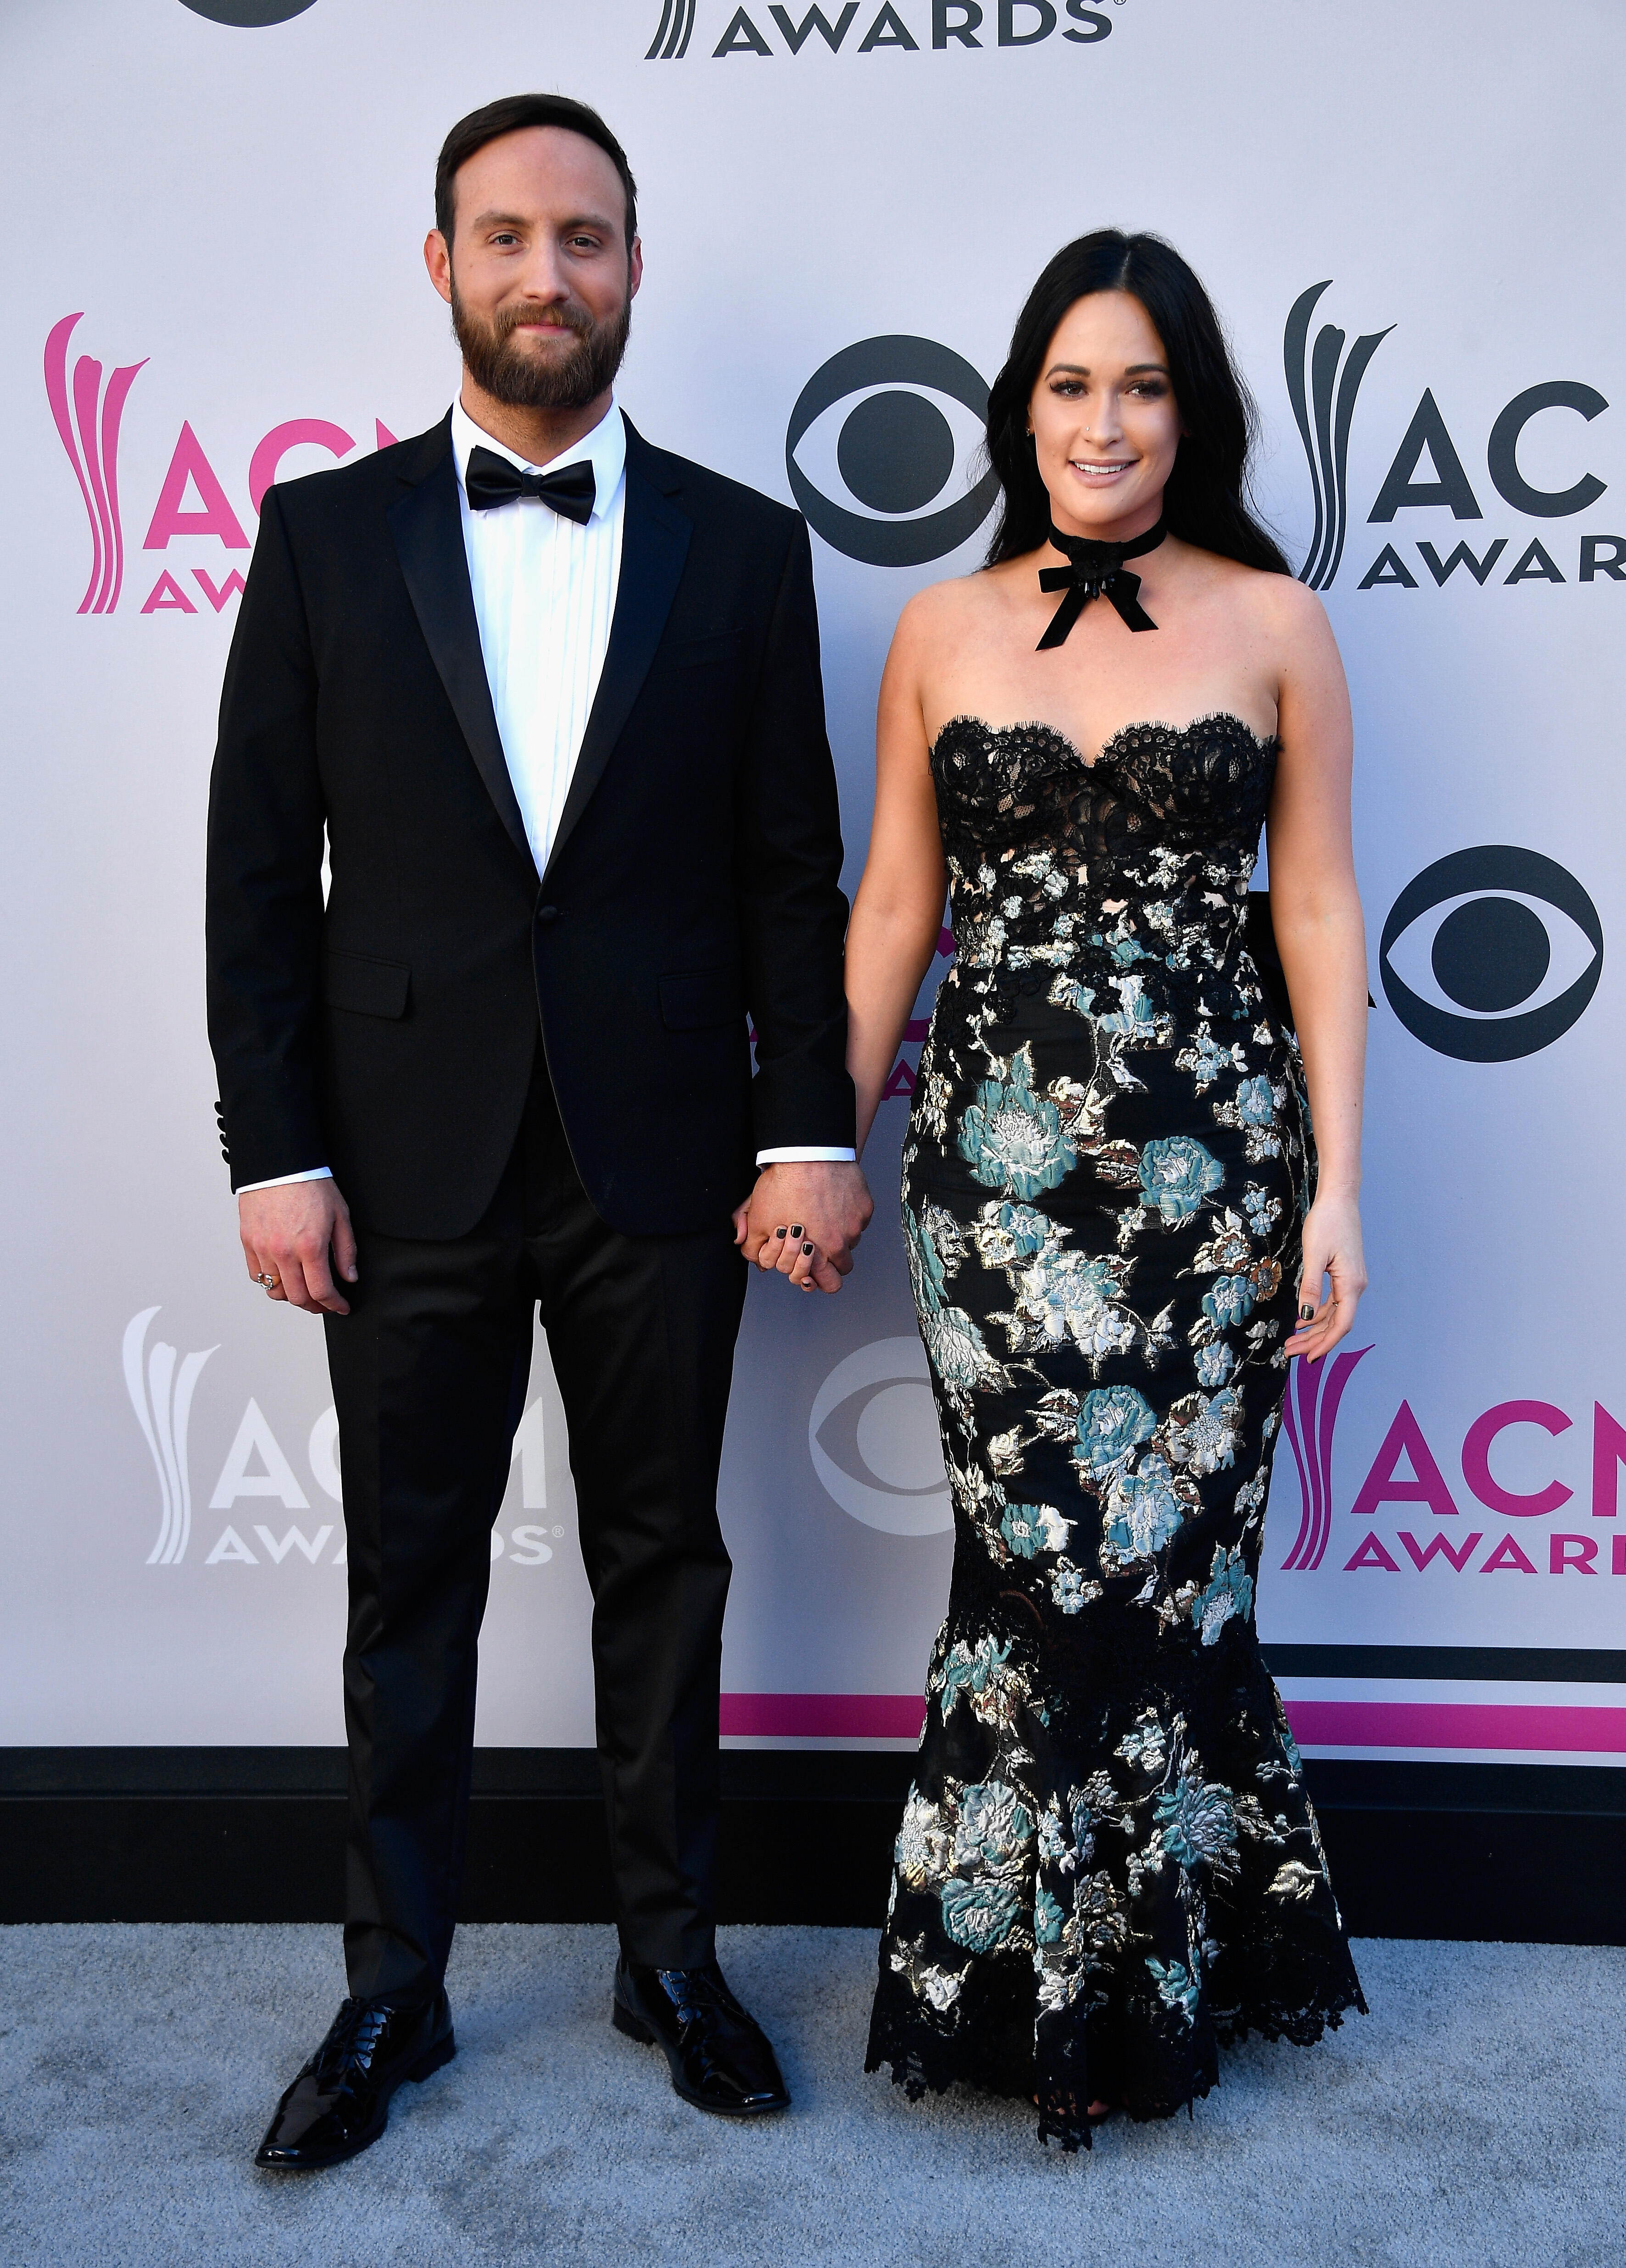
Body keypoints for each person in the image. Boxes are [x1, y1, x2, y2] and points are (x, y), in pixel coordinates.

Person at [206, 92, 872, 2170]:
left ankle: (668, 1957)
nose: (545, 275)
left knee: (661, 1563)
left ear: (632, 267)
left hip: (668, 1155)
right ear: (441, 267)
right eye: (505, 238)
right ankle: (389, 1991)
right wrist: (271, 1147)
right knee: (407, 1588)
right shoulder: (324, 536)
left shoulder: (749, 551)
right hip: (397, 1160)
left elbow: (792, 877)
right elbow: (255, 866)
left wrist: (805, 1134)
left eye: (583, 239)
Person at [841, 231, 1369, 2149]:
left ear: (1193, 411)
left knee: (1174, 1565)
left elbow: (1312, 907)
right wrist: (817, 1140)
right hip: (990, 1190)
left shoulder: (1274, 621)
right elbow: (897, 906)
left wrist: (1338, 1193)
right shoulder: (937, 627)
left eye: (1141, 384)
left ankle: (1163, 1987)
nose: (1104, 421)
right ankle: (1009, 1983)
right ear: (1021, 407)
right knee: (1021, 1572)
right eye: (1070, 383)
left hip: (1213, 1179)